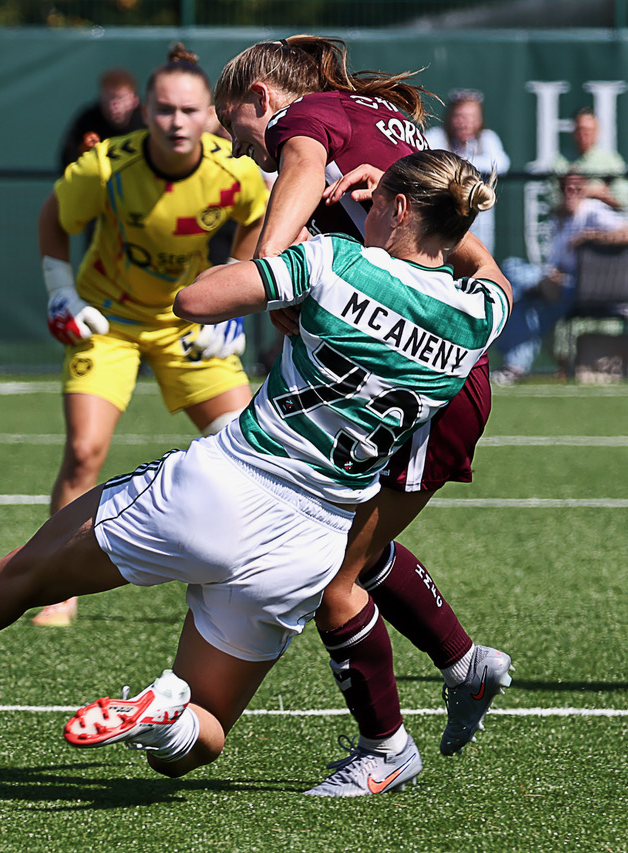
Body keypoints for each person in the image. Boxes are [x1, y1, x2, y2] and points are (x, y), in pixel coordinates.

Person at [0, 149, 510, 795]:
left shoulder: (336, 259)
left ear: (392, 207)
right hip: (313, 541)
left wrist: (287, 252)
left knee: (23, 574)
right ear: (457, 222)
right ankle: (164, 717)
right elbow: (493, 277)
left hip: (229, 485)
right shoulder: (476, 318)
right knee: (201, 730)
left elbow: (197, 302)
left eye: (378, 198)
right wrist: (456, 234)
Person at [212, 35, 514, 794]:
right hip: (424, 364)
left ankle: (386, 748)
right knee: (350, 549)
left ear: (262, 101)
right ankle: (464, 662)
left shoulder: (307, 119)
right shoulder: (378, 119)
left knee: (330, 574)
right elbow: (475, 261)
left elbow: (270, 261)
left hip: (420, 380)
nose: (248, 155)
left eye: (239, 133)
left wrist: (276, 272)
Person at [31, 43, 268, 629]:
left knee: (251, 448)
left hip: (187, 322)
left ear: (212, 113)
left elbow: (261, 220)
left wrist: (234, 300)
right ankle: (56, 586)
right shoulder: (107, 165)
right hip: (107, 323)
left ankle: (253, 579)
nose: (177, 122)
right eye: (165, 110)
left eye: (190, 111)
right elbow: (53, 221)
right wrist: (62, 292)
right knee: (84, 453)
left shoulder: (234, 169)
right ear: (145, 111)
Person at [493, 168, 628, 384]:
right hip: (557, 285)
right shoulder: (559, 217)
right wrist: (551, 277)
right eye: (566, 188)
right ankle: (515, 368)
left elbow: (625, 231)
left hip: (579, 287)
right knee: (525, 310)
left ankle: (527, 290)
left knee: (512, 270)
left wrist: (591, 236)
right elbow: (555, 263)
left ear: (584, 190)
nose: (571, 192)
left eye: (576, 188)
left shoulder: (592, 210)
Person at [425, 88, 510, 254]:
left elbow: (502, 164)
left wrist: (459, 166)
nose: (465, 122)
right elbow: (423, 155)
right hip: (443, 219)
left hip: (480, 223)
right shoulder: (437, 136)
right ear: (450, 117)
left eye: (471, 117)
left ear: (480, 119)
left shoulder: (488, 138)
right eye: (459, 116)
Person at [57, 67, 147, 170]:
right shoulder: (87, 119)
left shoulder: (147, 120)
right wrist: (83, 150)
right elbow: (67, 160)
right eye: (108, 97)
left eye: (120, 98)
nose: (114, 104)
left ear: (134, 100)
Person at [550, 108, 628, 211]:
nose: (583, 134)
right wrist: (575, 195)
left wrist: (600, 192)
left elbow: (624, 199)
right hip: (571, 220)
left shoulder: (610, 161)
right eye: (580, 129)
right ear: (573, 131)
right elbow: (552, 200)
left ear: (597, 132)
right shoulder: (561, 161)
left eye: (588, 130)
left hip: (603, 221)